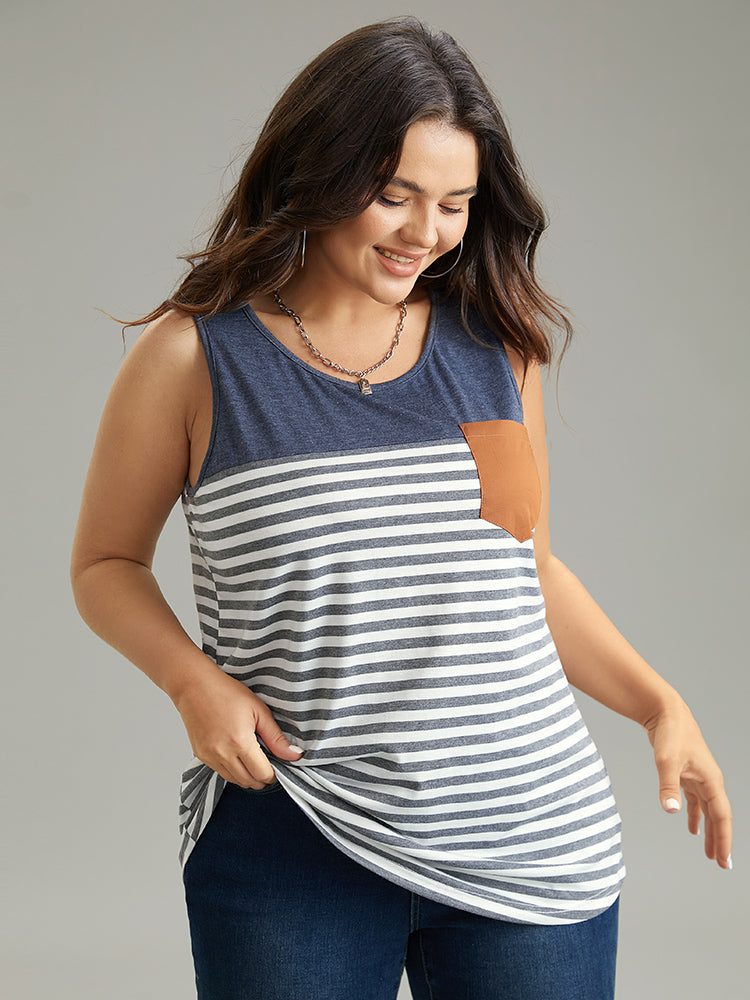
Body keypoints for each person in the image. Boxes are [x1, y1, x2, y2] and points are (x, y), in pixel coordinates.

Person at [70, 17, 732, 1000]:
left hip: (529, 836)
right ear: (319, 174)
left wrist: (659, 705)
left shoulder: (498, 351)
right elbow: (104, 566)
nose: (427, 232)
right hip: (298, 832)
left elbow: (530, 571)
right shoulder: (191, 358)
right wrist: (191, 683)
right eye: (394, 196)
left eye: (455, 204)